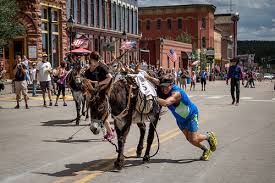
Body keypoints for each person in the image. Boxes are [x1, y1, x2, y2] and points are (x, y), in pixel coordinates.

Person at [148, 74, 217, 160]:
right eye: (162, 87)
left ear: (171, 84)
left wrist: (151, 97)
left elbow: (166, 103)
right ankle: (205, 149)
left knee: (193, 139)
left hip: (191, 115)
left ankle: (209, 136)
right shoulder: (164, 85)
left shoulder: (177, 93)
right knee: (189, 139)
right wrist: (145, 75)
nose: (164, 89)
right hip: (180, 119)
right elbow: (155, 80)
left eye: (166, 87)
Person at [84, 51, 115, 140]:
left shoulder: (102, 67)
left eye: (90, 59)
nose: (90, 61)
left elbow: (110, 77)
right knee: (100, 114)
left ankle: (111, 133)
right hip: (98, 92)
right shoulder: (97, 67)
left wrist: (98, 83)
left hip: (104, 92)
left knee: (102, 115)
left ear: (93, 59)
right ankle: (110, 130)